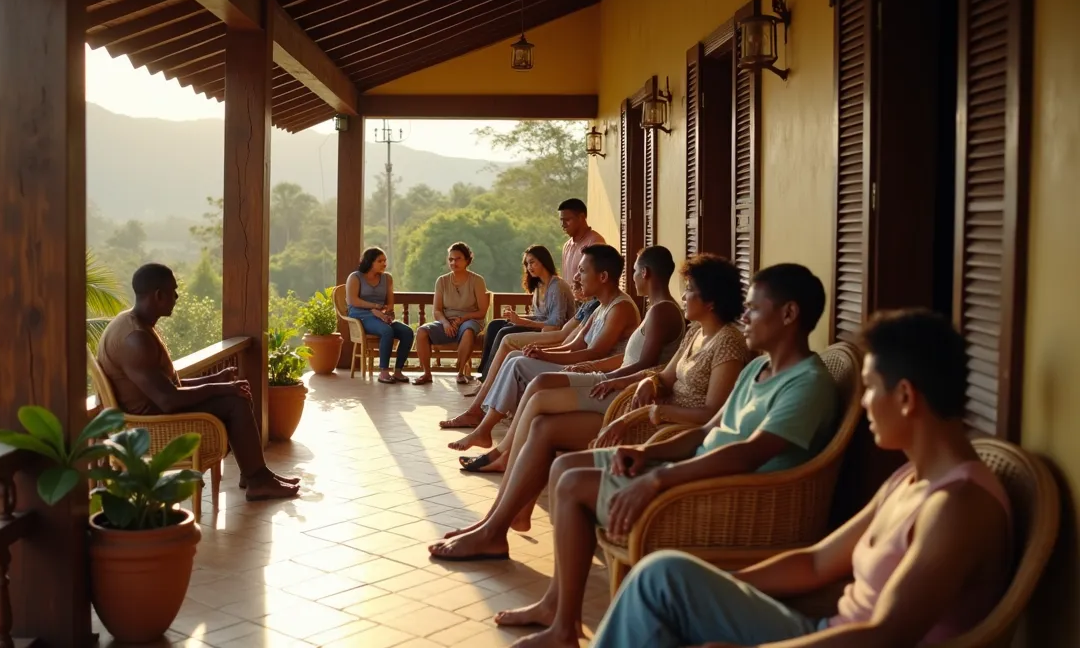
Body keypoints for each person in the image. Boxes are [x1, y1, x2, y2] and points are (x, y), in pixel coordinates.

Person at [590, 309, 1012, 648]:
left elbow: (884, 635)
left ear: (904, 397)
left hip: (834, 638)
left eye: (868, 389)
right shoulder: (910, 479)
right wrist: (720, 590)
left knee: (659, 585)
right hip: (823, 626)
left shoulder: (959, 506)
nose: (863, 404)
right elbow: (816, 563)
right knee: (665, 578)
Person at [499, 263, 838, 647]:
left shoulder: (807, 385)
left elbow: (747, 455)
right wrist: (645, 452)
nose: (744, 316)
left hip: (732, 495)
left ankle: (563, 626)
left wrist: (658, 477)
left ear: (789, 314)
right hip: (697, 474)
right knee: (564, 465)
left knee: (574, 484)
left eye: (755, 309)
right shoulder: (758, 368)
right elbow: (709, 432)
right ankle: (558, 610)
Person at [428, 253, 750, 561]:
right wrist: (648, 383)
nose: (684, 295)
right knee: (541, 425)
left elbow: (712, 415)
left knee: (542, 402)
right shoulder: (696, 332)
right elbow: (662, 374)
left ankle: (494, 523)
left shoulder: (728, 343)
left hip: (661, 428)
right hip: (644, 410)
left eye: (690, 290)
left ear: (710, 300)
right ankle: (493, 525)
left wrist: (656, 409)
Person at [96, 264, 299, 502]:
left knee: (234, 393)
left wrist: (215, 378)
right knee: (235, 402)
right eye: (173, 291)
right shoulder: (136, 339)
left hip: (154, 410)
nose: (177, 296)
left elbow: (167, 385)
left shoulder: (133, 324)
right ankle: (257, 480)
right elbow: (169, 399)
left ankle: (254, 474)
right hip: (148, 424)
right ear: (158, 295)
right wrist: (222, 388)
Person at [439, 245, 639, 450]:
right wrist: (542, 354)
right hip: (581, 365)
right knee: (515, 356)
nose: (577, 277)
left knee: (517, 364)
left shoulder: (620, 308)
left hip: (593, 374)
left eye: (583, 271)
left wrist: (545, 355)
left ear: (603, 276)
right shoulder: (601, 306)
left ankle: (484, 430)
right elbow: (572, 345)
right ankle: (485, 426)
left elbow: (592, 353)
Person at [466, 276, 602, 400]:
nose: (576, 277)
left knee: (508, 340)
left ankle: (485, 396)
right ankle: (486, 391)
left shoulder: (563, 289)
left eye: (582, 271)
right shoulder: (587, 305)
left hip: (555, 338)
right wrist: (522, 321)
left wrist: (545, 351)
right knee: (497, 328)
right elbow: (565, 334)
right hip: (555, 336)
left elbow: (563, 332)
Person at [475, 245, 575, 379]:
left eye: (532, 262)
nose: (529, 267)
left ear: (543, 261)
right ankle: (484, 373)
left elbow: (556, 322)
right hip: (540, 327)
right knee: (494, 325)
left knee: (504, 332)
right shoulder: (539, 285)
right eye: (527, 264)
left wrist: (521, 321)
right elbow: (538, 316)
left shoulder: (557, 286)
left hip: (552, 332)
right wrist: (515, 318)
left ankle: (489, 379)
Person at [413, 242, 489, 385]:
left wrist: (463, 319)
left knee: (467, 331)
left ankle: (460, 372)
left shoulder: (477, 280)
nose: (454, 262)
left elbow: (482, 312)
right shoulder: (442, 281)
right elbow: (437, 310)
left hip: (470, 319)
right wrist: (446, 323)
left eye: (458, 259)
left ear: (467, 260)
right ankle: (426, 373)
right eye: (451, 259)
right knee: (422, 331)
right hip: (447, 321)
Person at [345, 247, 414, 384]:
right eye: (380, 261)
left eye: (385, 261)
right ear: (370, 262)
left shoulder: (387, 278)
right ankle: (383, 372)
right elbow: (353, 301)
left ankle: (398, 371)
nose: (384, 264)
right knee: (386, 331)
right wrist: (374, 308)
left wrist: (387, 314)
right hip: (361, 315)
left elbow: (390, 303)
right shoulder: (355, 277)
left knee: (407, 332)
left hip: (380, 316)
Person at [557, 198, 606, 290]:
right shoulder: (567, 246)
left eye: (567, 220)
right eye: (561, 220)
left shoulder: (595, 242)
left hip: (589, 303)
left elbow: (599, 281)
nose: (563, 224)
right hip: (570, 302)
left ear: (582, 217)